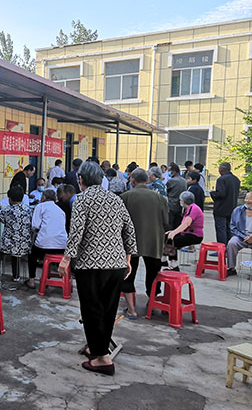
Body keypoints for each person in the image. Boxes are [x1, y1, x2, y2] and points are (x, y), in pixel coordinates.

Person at [58, 161, 137, 376]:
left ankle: (102, 358)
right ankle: (97, 348)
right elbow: (129, 229)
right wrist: (128, 258)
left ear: (81, 179)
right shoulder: (116, 199)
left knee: (91, 310)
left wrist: (66, 259)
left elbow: (76, 232)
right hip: (116, 264)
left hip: (91, 264)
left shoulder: (82, 199)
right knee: (107, 309)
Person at [121, 168, 168, 318]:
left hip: (131, 243)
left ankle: (131, 310)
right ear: (147, 180)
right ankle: (151, 303)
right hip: (154, 242)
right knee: (153, 274)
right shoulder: (159, 198)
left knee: (128, 274)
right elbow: (166, 222)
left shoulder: (125, 197)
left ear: (133, 180)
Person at [0, 186, 33, 283]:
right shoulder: (28, 209)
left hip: (9, 245)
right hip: (25, 245)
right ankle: (16, 276)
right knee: (16, 253)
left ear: (10, 198)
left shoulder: (7, 210)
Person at [27, 189, 67, 289]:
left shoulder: (40, 206)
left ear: (44, 197)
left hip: (44, 245)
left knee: (32, 256)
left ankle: (31, 280)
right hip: (62, 246)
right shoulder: (60, 211)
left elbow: (35, 226)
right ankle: (62, 280)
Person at [165, 191, 205, 271]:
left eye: (181, 200)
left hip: (195, 235)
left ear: (183, 201)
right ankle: (164, 260)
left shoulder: (193, 209)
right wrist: (172, 232)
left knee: (172, 241)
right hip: (188, 233)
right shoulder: (189, 208)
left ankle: (174, 265)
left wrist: (174, 233)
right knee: (166, 236)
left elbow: (186, 224)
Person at [210, 162, 241, 246]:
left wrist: (212, 193)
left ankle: (221, 248)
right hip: (232, 207)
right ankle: (229, 248)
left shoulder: (221, 179)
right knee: (229, 229)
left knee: (221, 229)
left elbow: (221, 194)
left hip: (221, 208)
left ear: (221, 169)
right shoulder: (236, 179)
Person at [226, 192, 252, 276]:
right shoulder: (237, 210)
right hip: (241, 236)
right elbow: (233, 227)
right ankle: (231, 268)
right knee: (232, 243)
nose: (248, 200)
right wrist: (245, 237)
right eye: (246, 198)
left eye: (250, 198)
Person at [166, 163, 187, 230]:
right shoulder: (184, 181)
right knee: (178, 226)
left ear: (174, 171)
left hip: (171, 206)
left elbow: (166, 191)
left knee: (170, 226)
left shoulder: (171, 181)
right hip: (180, 206)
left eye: (169, 171)